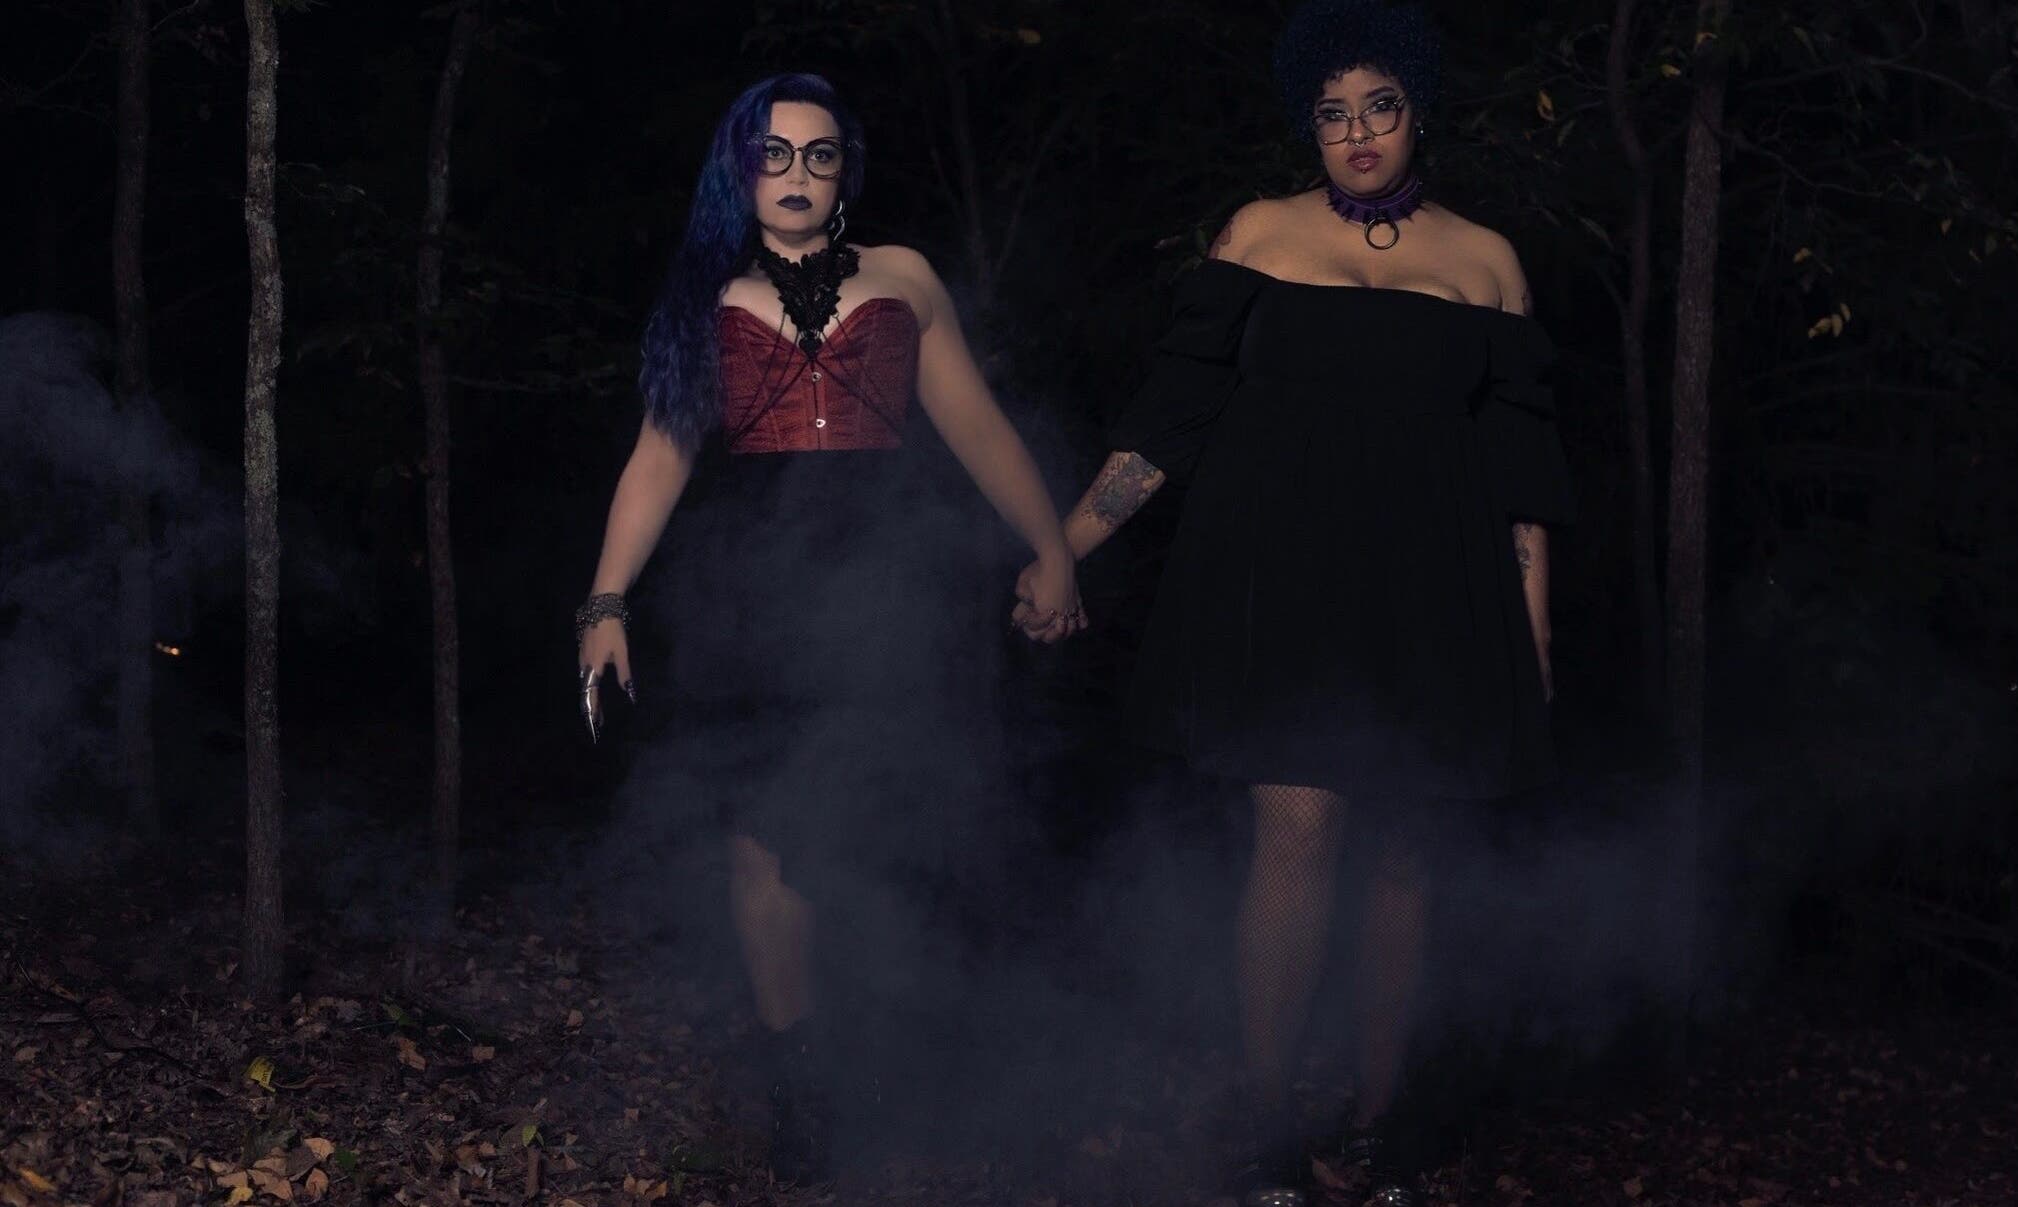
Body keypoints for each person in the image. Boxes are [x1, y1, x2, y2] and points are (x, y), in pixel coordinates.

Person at [1020, 2, 1573, 1202]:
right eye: (1331, 114)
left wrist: (1530, 625)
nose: (1357, 133)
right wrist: (1063, 547)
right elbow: (1169, 419)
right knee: (1298, 831)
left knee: (1406, 854)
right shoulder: (1259, 233)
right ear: (1307, 129)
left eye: (1378, 107)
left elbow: (1518, 477)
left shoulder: (1485, 262)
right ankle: (1268, 1124)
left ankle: (1374, 1131)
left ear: (1416, 113)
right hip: (1282, 578)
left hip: (1433, 591)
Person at [576, 72, 1083, 1187]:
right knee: (761, 838)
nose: (797, 174)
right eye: (774, 154)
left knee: (881, 824)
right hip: (752, 583)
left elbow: (976, 425)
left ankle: (894, 1063)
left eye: (818, 154)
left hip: (888, 582)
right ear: (739, 169)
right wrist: (606, 600)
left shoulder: (904, 277)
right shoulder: (703, 295)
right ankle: (795, 1075)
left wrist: (1048, 545)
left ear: (845, 170)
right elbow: (659, 457)